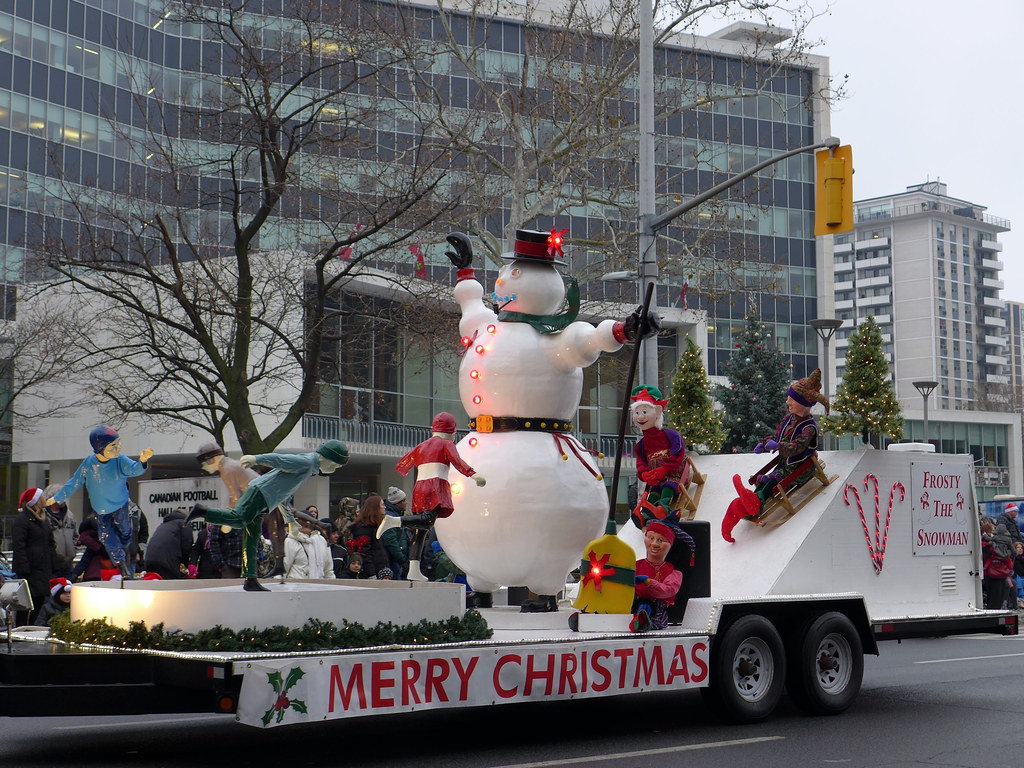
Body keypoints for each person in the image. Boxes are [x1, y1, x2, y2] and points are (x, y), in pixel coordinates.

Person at [185, 440, 348, 592]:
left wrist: (291, 521)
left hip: (265, 498)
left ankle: (250, 579)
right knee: (239, 518)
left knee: (252, 538)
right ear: (330, 460)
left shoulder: (307, 468)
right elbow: (279, 459)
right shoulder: (306, 463)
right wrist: (256, 459)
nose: (334, 470)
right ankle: (202, 511)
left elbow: (283, 495)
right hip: (260, 493)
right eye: (336, 466)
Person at [378, 413, 486, 581]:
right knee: (427, 521)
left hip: (420, 486)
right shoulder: (446, 443)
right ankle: (394, 522)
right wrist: (474, 475)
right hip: (435, 486)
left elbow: (403, 465)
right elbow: (457, 461)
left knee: (420, 531)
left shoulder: (422, 445)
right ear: (451, 431)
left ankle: (413, 570)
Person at [46, 425, 153, 580]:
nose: (118, 448)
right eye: (113, 446)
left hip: (120, 505)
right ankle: (121, 562)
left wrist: (142, 461)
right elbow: (74, 482)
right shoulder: (89, 463)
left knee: (125, 533)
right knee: (108, 537)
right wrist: (57, 498)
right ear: (100, 447)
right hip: (101, 509)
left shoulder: (119, 460)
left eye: (118, 444)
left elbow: (134, 470)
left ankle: (124, 553)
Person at [752, 368, 829, 503]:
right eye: (788, 399)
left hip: (800, 466)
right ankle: (751, 499)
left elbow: (797, 447)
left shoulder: (809, 427)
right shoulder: (789, 419)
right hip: (785, 464)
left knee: (774, 479)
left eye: (792, 400)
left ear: (804, 403)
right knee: (766, 478)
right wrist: (764, 444)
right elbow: (778, 435)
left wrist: (778, 446)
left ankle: (757, 504)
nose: (788, 402)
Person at [630, 385, 686, 523]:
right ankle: (647, 513)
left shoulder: (670, 434)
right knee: (654, 490)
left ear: (658, 412)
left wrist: (665, 468)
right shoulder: (641, 445)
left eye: (644, 411)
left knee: (668, 484)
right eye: (637, 413)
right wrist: (645, 474)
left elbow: (678, 451)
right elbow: (641, 463)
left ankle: (663, 507)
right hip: (656, 477)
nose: (640, 416)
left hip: (673, 473)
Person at [12, 488, 56, 625]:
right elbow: (19, 546)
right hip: (29, 570)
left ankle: (31, 627)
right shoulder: (22, 520)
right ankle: (20, 629)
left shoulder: (44, 519)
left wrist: (52, 558)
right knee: (24, 604)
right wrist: (24, 568)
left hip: (42, 568)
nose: (45, 500)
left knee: (39, 601)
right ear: (36, 501)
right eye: (42, 497)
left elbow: (50, 541)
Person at [630, 521, 683, 632]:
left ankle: (643, 620)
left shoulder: (673, 573)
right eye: (651, 538)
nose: (654, 544)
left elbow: (668, 590)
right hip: (631, 609)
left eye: (660, 540)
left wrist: (648, 582)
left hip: (657, 613)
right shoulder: (634, 566)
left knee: (647, 606)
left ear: (670, 545)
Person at [347, 494, 390, 580]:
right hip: (371, 574)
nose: (384, 507)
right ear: (375, 508)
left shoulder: (376, 527)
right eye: (382, 504)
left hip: (380, 572)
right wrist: (371, 574)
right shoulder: (364, 529)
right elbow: (365, 553)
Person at [144, 508, 195, 580]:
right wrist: (188, 563)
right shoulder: (184, 523)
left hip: (150, 560)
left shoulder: (164, 525)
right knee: (171, 587)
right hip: (167, 562)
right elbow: (187, 545)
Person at [284, 511, 335, 579]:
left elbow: (328, 570)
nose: (306, 524)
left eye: (308, 522)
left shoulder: (322, 541)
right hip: (296, 586)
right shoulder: (290, 541)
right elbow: (284, 568)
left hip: (319, 586)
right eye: (302, 522)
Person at [42, 483, 78, 579]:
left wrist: (73, 551)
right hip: (50, 566)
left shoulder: (70, 515)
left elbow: (75, 537)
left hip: (68, 565)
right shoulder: (42, 516)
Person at [982, 520, 1015, 610]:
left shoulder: (989, 542)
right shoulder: (988, 543)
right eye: (993, 530)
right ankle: (994, 612)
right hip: (993, 572)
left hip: (993, 572)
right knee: (996, 595)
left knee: (996, 594)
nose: (994, 532)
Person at [382, 487, 410, 579]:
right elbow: (391, 540)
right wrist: (401, 559)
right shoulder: (391, 518)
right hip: (395, 560)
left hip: (397, 559)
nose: (406, 503)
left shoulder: (395, 515)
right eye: (404, 500)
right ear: (397, 503)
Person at [71, 516, 108, 582]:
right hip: (102, 573)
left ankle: (73, 575)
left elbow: (84, 560)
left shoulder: (90, 533)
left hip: (93, 574)